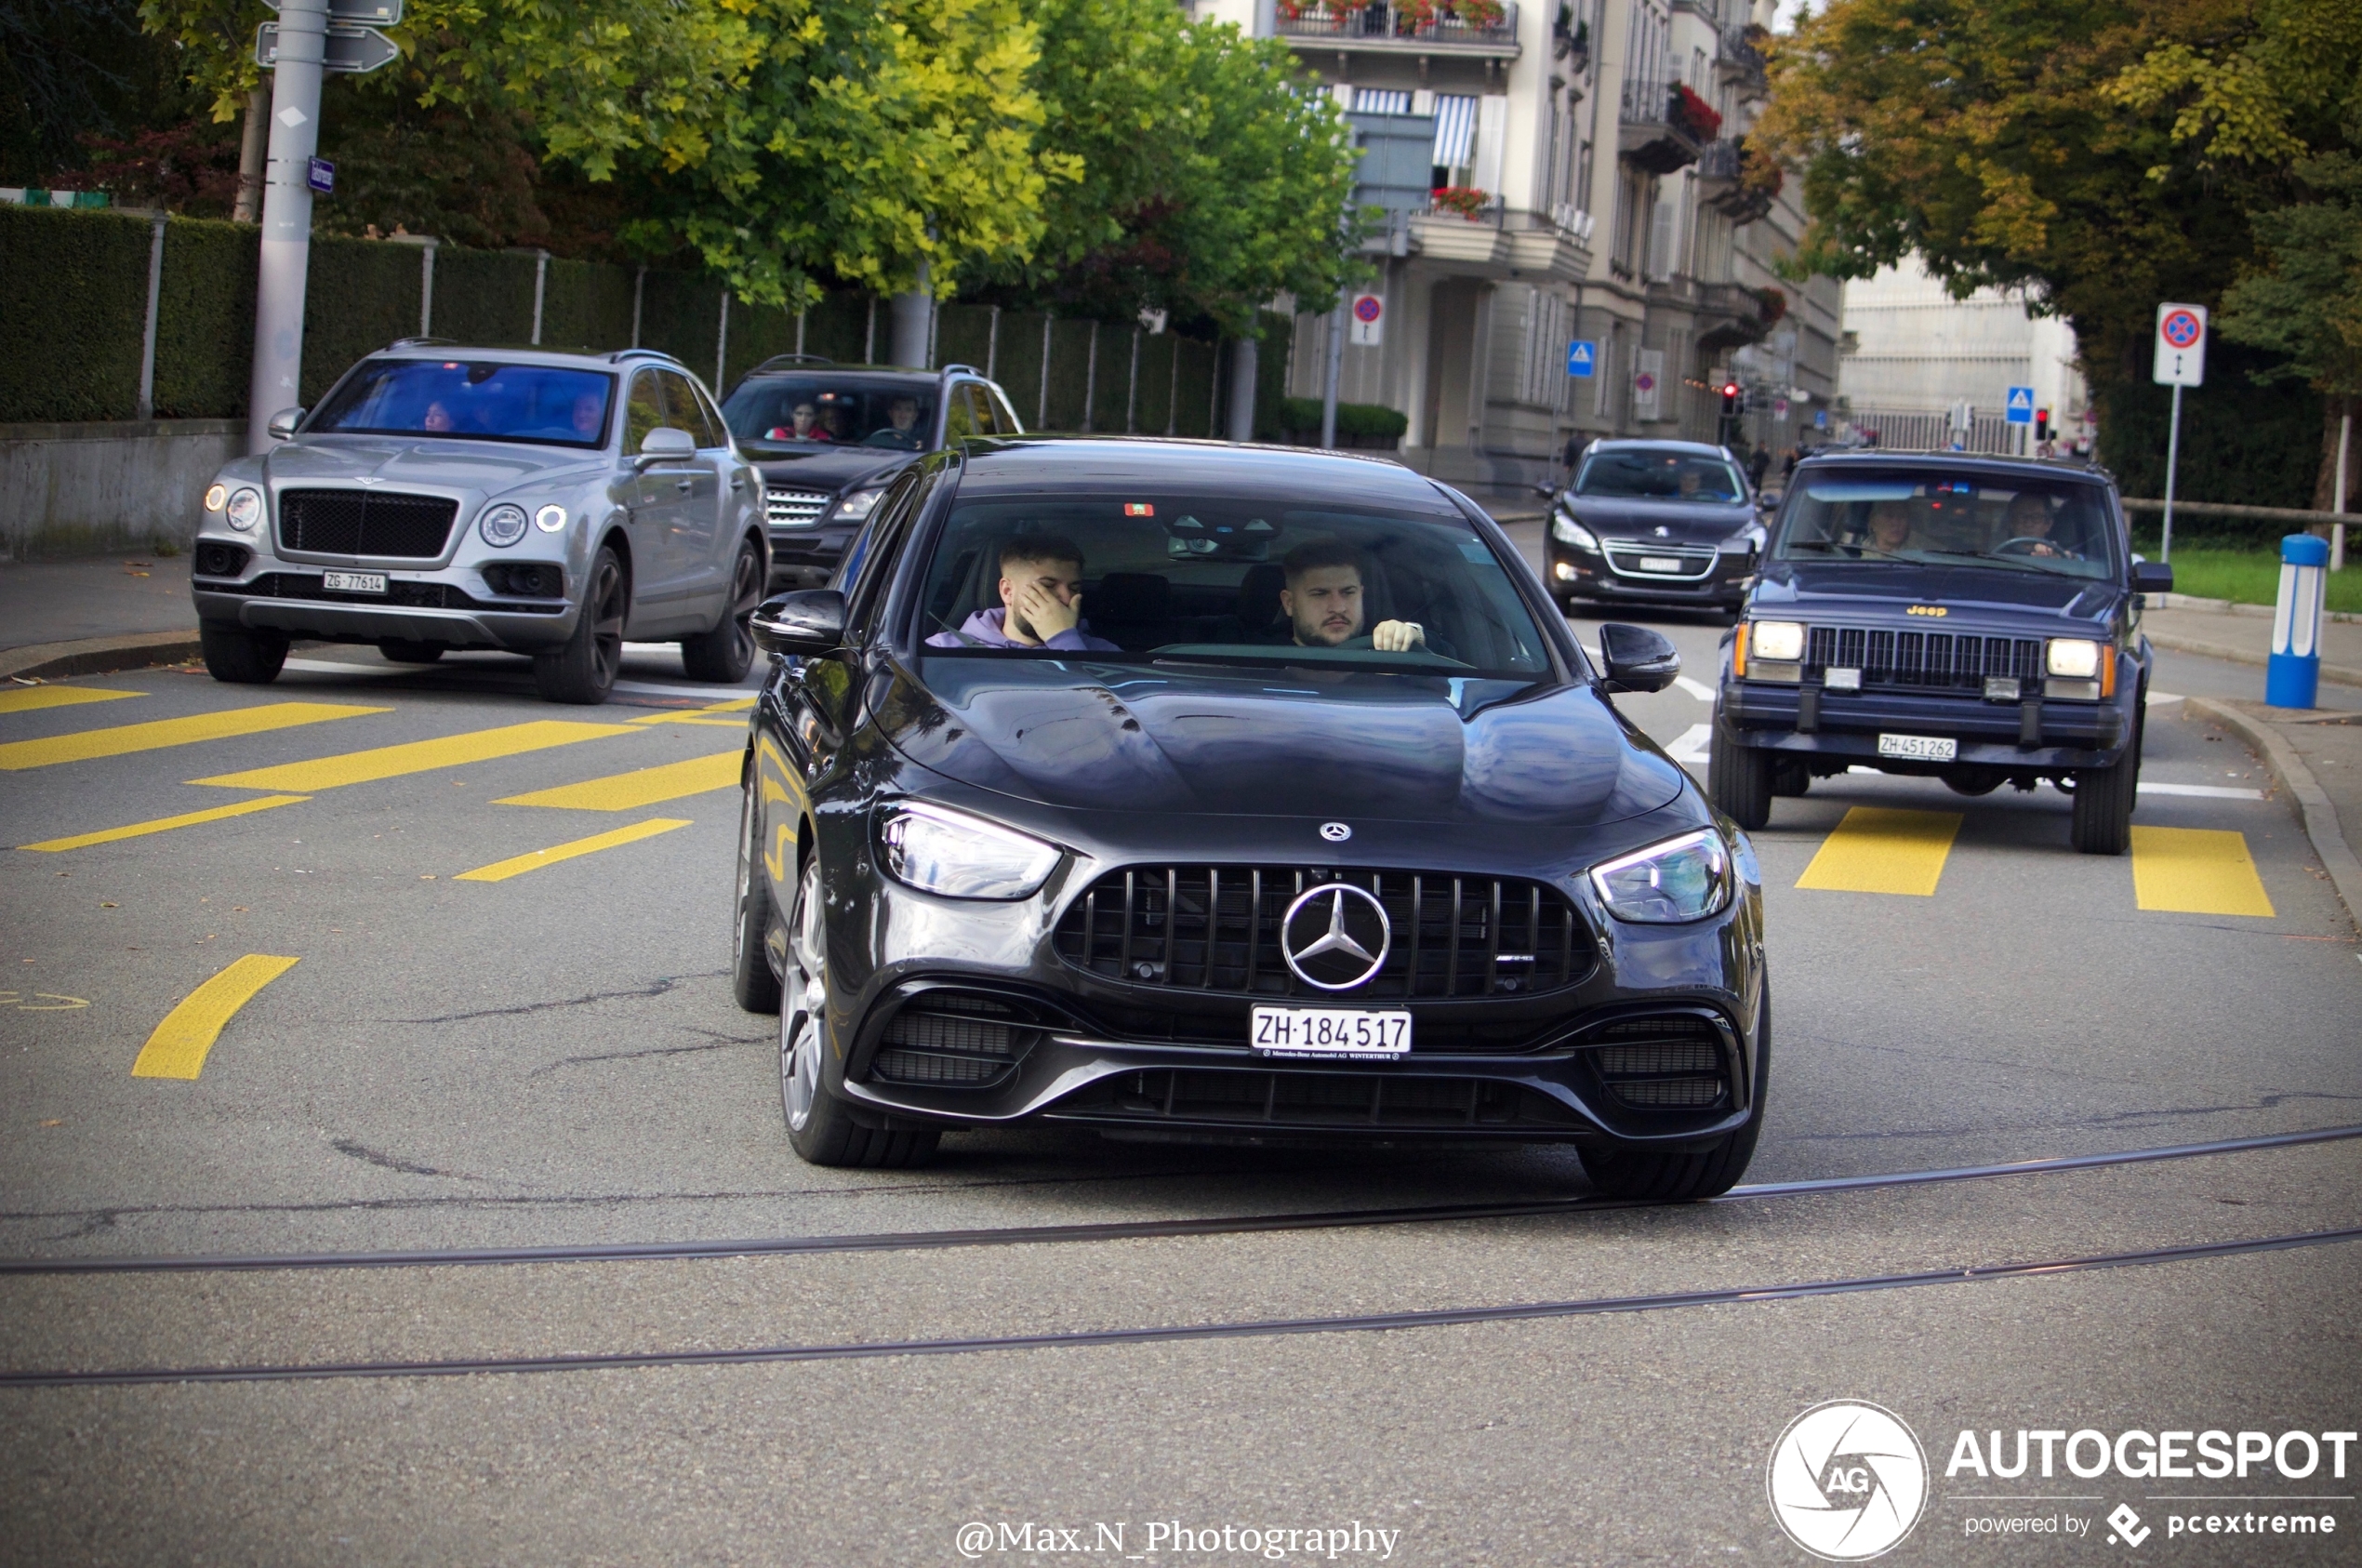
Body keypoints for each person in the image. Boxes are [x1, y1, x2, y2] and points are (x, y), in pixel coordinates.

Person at [927, 535, 1121, 651]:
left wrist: (1064, 640)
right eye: (1048, 585)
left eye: (1074, 588)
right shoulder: (943, 651)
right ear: (1007, 591)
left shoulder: (1103, 655)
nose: (1066, 598)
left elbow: (1102, 707)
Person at [1278, 540, 1427, 652]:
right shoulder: (1259, 661)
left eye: (1348, 592)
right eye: (1320, 594)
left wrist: (1412, 635)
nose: (1338, 607)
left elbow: (1447, 657)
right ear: (1289, 603)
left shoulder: (1383, 648)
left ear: (1361, 594)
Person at [1999, 491, 2077, 558]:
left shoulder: (2055, 555)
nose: (2028, 524)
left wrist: (2064, 556)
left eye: (2036, 517)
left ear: (2048, 525)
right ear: (2012, 523)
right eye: (2022, 516)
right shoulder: (1997, 555)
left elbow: (2083, 563)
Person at [766, 402, 830, 442]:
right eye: (799, 414)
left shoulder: (825, 438)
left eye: (809, 415)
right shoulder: (774, 434)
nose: (803, 419)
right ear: (792, 414)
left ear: (815, 417)